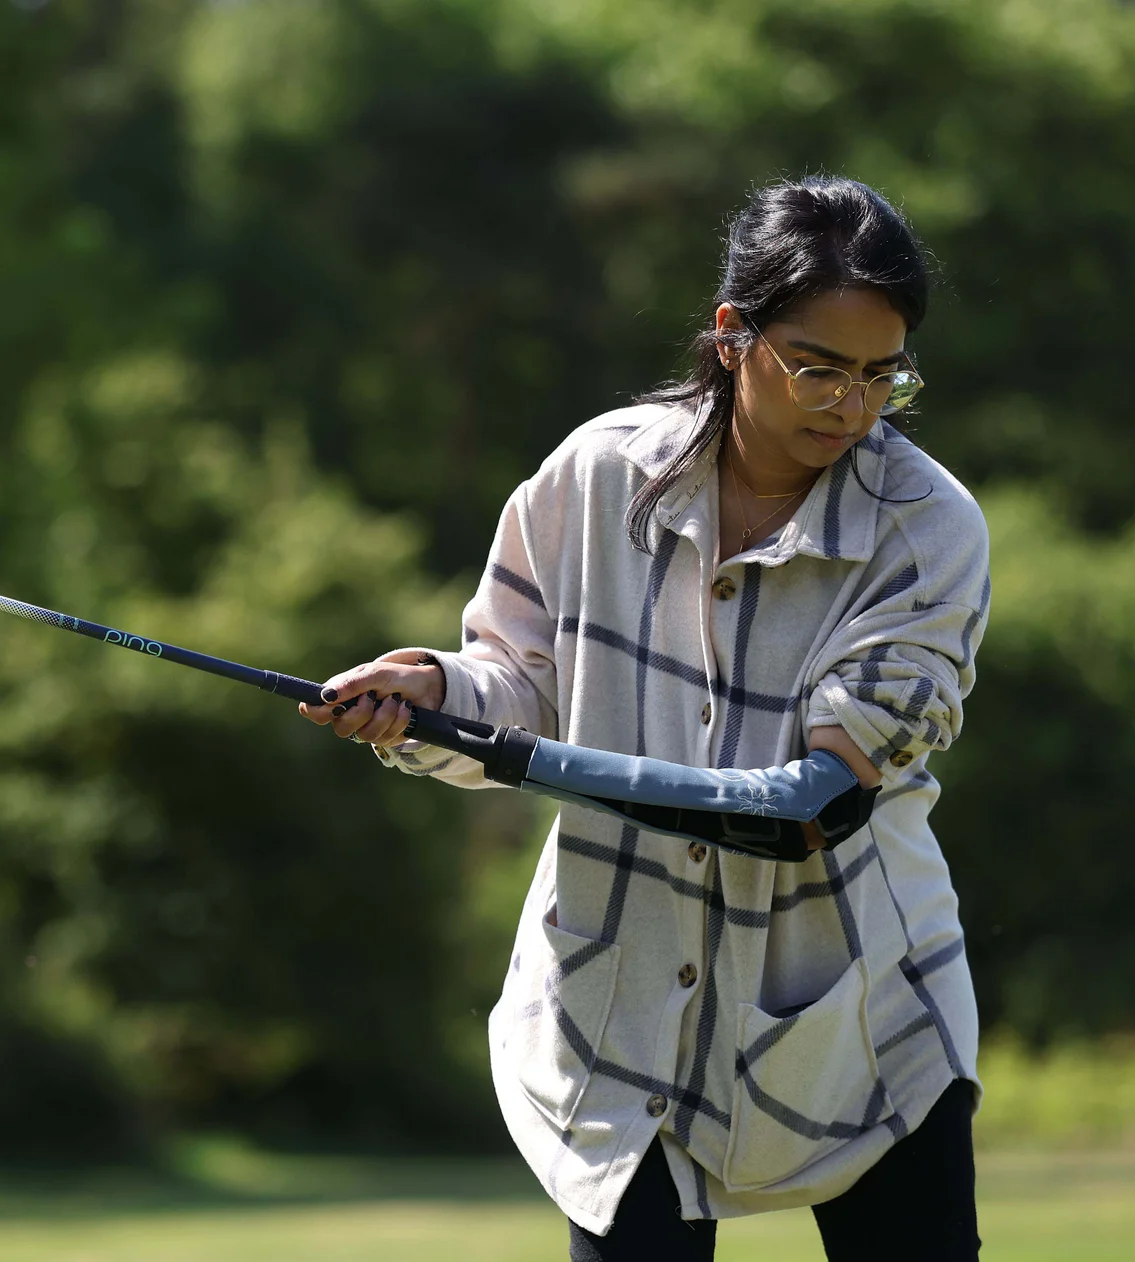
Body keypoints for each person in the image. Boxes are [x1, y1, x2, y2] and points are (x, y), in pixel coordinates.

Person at [300, 176, 988, 1260]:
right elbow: (517, 684)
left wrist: (530, 757)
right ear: (731, 335)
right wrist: (432, 698)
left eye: (879, 376)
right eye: (816, 366)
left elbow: (807, 808)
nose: (848, 407)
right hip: (617, 1003)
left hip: (861, 1015)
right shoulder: (590, 474)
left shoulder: (928, 532)